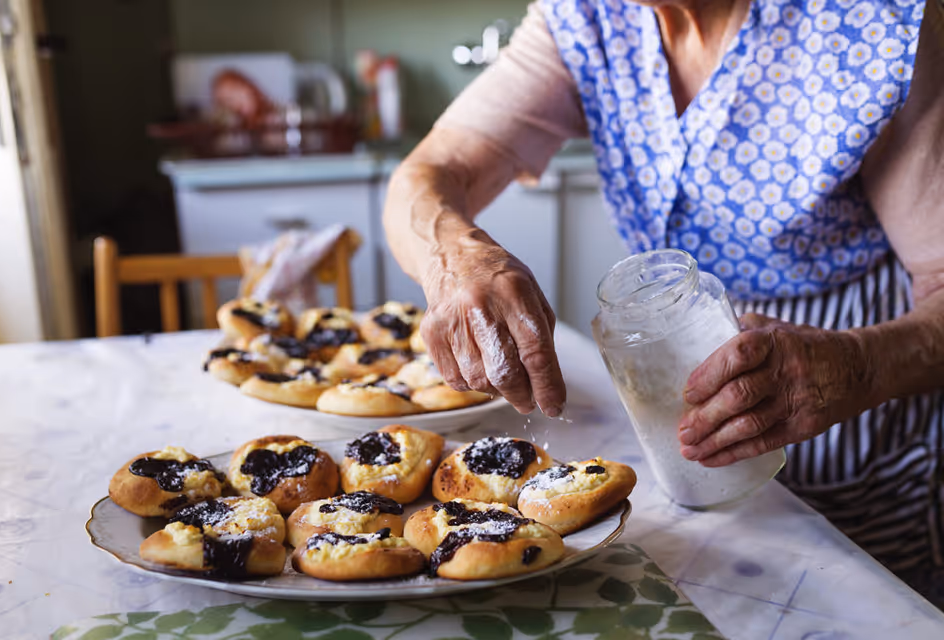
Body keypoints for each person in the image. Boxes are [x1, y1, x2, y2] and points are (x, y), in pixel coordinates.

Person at [383, 0, 944, 603]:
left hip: (854, 417)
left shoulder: (877, 21)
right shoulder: (588, 18)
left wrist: (855, 367)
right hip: (682, 420)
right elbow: (430, 171)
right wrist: (457, 257)